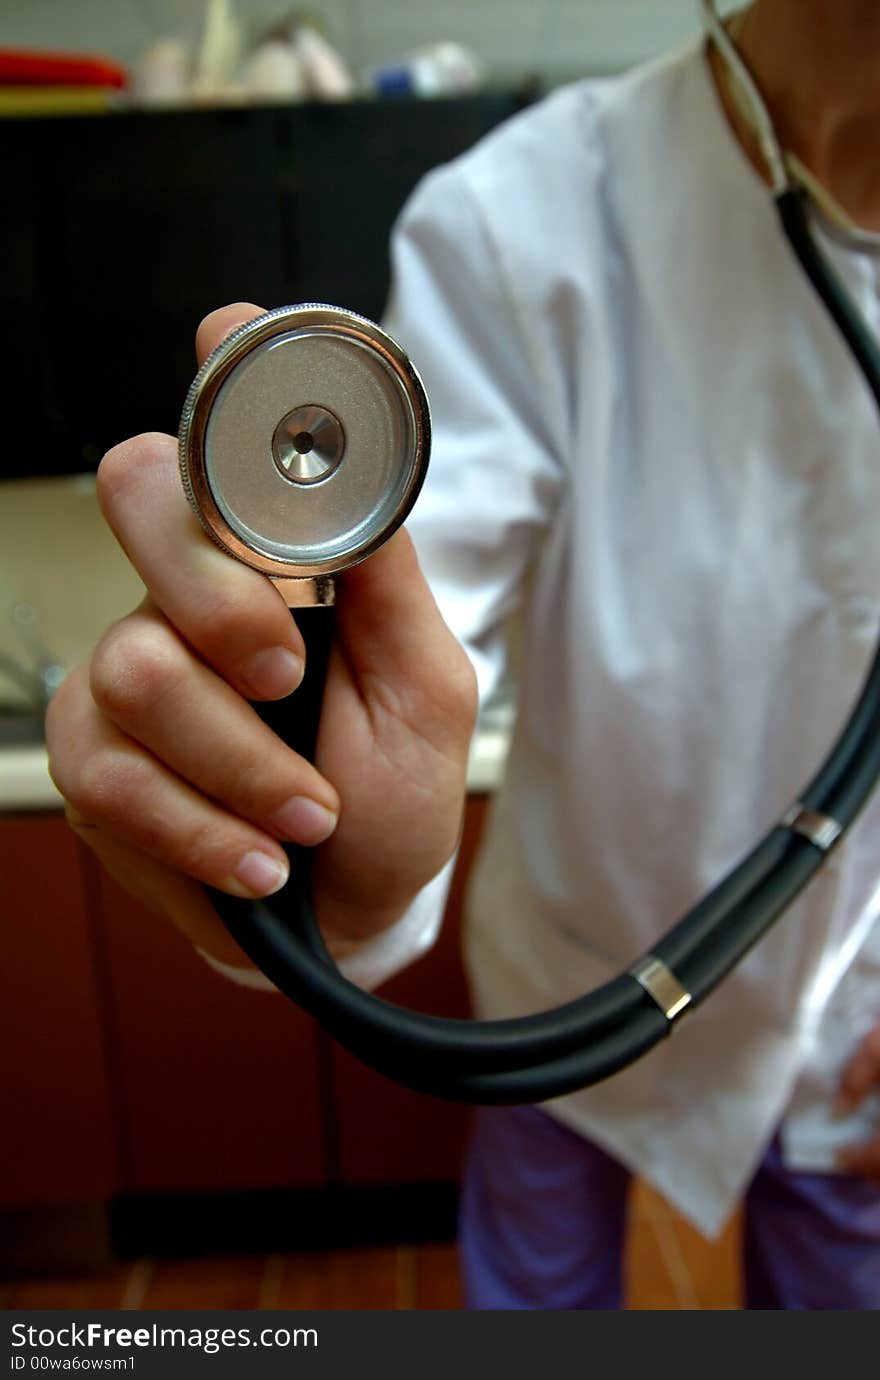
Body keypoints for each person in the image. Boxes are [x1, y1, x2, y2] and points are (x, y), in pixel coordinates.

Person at [47, 0, 880, 1309]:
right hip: (569, 988)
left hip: (860, 1027)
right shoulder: (530, 212)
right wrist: (329, 838)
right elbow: (417, 613)